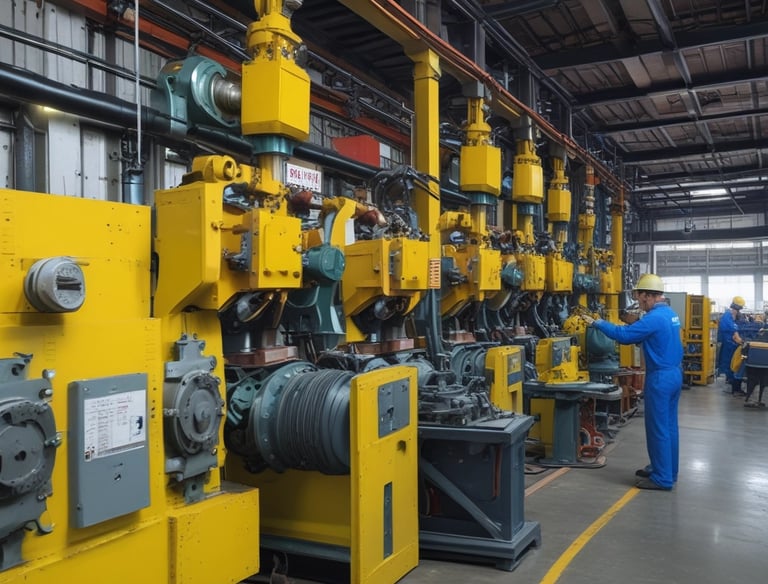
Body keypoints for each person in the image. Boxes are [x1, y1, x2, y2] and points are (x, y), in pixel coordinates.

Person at [581, 273, 683, 491]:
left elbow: (624, 335)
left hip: (660, 378)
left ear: (648, 296)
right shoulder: (670, 313)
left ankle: (662, 478)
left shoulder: (653, 318)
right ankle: (667, 470)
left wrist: (597, 322)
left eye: (639, 298)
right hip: (674, 374)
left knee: (658, 428)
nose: (638, 302)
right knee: (669, 427)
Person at [717, 296, 745, 395]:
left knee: (733, 366)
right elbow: (734, 332)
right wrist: (741, 341)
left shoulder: (731, 316)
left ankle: (735, 388)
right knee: (732, 366)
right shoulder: (727, 316)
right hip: (729, 346)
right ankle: (735, 389)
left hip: (732, 345)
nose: (738, 312)